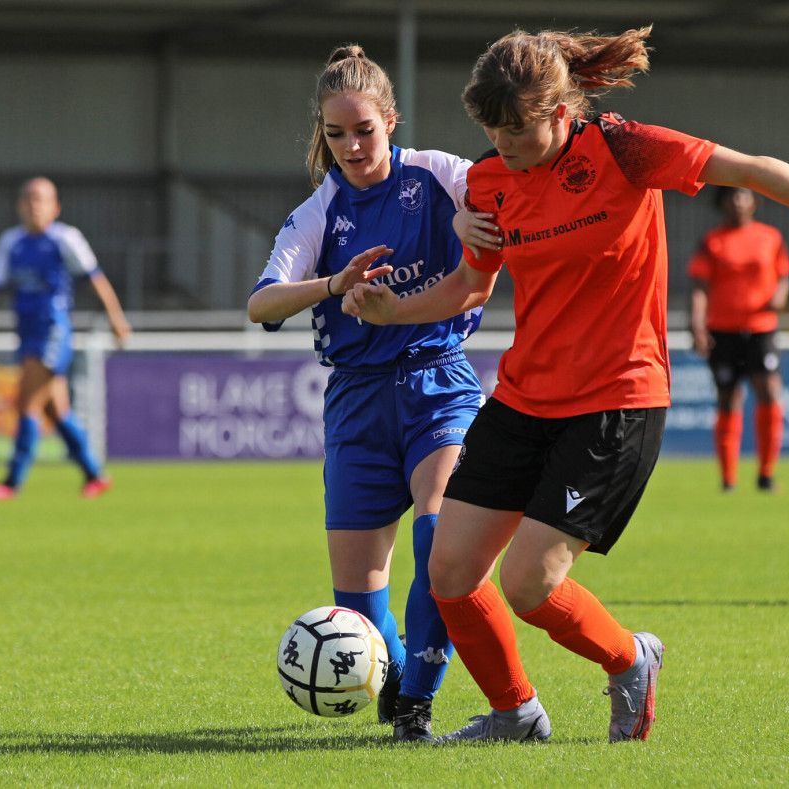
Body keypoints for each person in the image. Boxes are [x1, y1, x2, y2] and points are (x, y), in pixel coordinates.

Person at [343, 26, 789, 744]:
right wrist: (395, 310)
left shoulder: (623, 148)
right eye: (495, 132)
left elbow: (751, 169)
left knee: (528, 583)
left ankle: (630, 660)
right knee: (451, 569)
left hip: (616, 401)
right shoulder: (491, 182)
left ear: (562, 113)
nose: (506, 147)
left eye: (520, 130)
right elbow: (471, 287)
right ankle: (516, 712)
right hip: (524, 397)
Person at [246, 45, 486, 742]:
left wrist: (479, 222)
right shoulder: (320, 210)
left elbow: (505, 195)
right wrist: (333, 284)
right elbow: (262, 303)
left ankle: (415, 703)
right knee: (356, 607)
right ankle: (402, 678)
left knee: (440, 539)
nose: (351, 146)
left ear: (390, 120)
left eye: (363, 130)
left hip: (439, 381)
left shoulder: (440, 175)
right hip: (356, 402)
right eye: (335, 133)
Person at [0, 177, 131, 501]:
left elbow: (95, 280)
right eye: (29, 198)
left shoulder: (65, 238)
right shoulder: (11, 241)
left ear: (55, 207)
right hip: (26, 329)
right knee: (56, 411)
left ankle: (11, 483)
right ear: (19, 205)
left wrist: (117, 319)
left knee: (26, 402)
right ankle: (95, 474)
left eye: (41, 199)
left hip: (53, 329)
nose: (34, 205)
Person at [689, 186, 789, 493]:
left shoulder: (770, 237)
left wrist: (781, 296)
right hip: (723, 331)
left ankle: (766, 474)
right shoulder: (712, 242)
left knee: (769, 391)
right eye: (731, 196)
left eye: (743, 195)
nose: (737, 201)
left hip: (761, 328)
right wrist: (697, 326)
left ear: (754, 201)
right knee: (728, 397)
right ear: (722, 204)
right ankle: (728, 479)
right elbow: (700, 288)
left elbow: (784, 275)